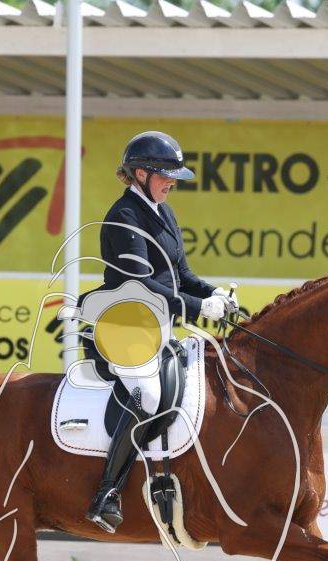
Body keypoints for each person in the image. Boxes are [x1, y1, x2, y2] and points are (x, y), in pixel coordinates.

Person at [83, 130, 236, 534]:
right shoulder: (124, 217)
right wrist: (198, 308)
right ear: (140, 173)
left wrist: (213, 293)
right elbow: (140, 284)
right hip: (125, 326)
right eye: (166, 176)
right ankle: (107, 492)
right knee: (149, 395)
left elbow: (181, 275)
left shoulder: (163, 212)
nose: (172, 183)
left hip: (157, 325)